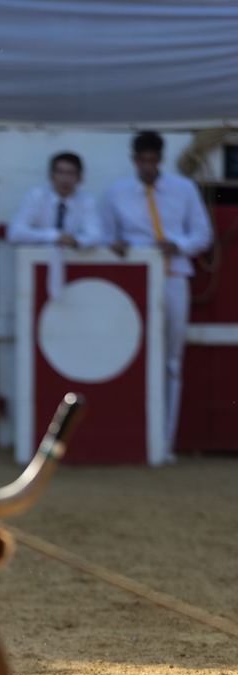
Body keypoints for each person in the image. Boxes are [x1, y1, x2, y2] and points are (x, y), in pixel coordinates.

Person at [100, 131, 211, 463]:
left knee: (171, 359)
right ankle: (134, 435)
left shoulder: (184, 189)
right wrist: (114, 244)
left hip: (174, 276)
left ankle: (165, 441)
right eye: (142, 160)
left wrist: (179, 246)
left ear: (161, 159)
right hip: (133, 282)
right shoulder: (116, 194)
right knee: (131, 354)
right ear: (134, 159)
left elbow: (202, 235)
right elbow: (104, 235)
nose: (148, 166)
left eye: (153, 160)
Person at [6, 153, 102, 249]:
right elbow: (15, 234)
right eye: (60, 172)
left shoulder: (87, 201)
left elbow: (96, 236)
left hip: (73, 261)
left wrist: (75, 241)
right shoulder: (36, 197)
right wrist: (53, 236)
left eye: (71, 173)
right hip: (39, 259)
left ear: (79, 178)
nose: (65, 179)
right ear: (51, 175)